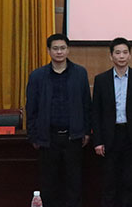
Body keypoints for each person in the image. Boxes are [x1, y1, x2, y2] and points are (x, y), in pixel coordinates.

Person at [25, 33, 91, 207]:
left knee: (74, 183)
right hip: (48, 138)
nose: (59, 52)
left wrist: (86, 131)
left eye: (62, 48)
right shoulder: (37, 76)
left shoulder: (80, 73)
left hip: (73, 137)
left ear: (68, 50)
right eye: (55, 48)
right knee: (49, 184)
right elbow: (31, 108)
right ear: (48, 51)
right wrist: (33, 135)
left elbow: (86, 104)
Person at [92, 37, 132, 207]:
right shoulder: (101, 80)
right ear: (111, 56)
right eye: (117, 53)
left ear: (130, 55)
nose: (121, 56)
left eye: (125, 52)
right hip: (109, 136)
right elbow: (96, 112)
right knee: (109, 182)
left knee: (130, 181)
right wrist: (98, 140)